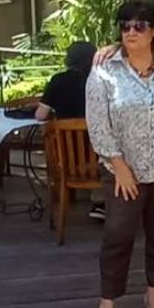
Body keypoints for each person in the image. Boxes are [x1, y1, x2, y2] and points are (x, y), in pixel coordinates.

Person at [85, 0, 154, 308]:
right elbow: (98, 126)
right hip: (124, 172)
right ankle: (108, 304)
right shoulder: (103, 71)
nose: (130, 32)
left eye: (140, 26)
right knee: (118, 236)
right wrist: (121, 168)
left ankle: (153, 291)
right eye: (125, 26)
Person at [37, 40, 104, 221]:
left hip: (65, 159)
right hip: (97, 156)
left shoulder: (58, 81)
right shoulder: (101, 81)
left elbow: (40, 115)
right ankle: (101, 202)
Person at [37, 41, 97, 121]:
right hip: (95, 132)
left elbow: (40, 116)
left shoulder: (57, 80)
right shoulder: (99, 80)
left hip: (63, 132)